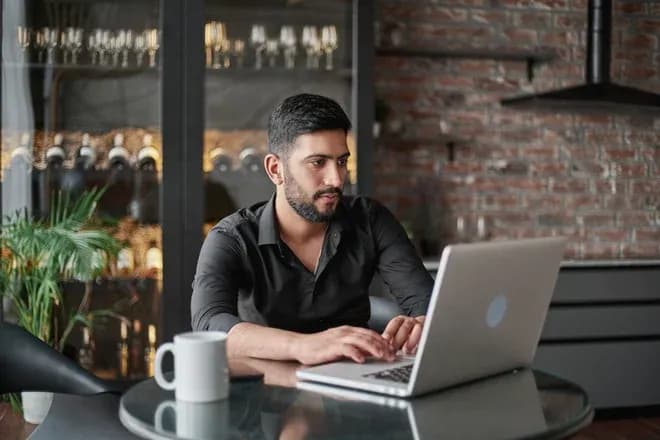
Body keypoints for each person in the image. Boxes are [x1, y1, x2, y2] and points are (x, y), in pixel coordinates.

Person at [191, 93, 433, 366]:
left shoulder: (370, 219)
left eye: (341, 161)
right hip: (266, 397)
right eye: (318, 163)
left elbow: (428, 304)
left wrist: (421, 324)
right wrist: (303, 346)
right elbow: (208, 324)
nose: (336, 179)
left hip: (353, 392)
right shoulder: (231, 238)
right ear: (275, 169)